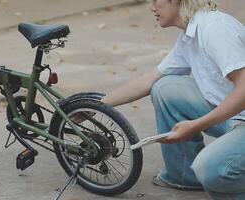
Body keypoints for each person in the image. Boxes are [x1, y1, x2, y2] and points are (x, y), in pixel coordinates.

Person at [101, 0, 245, 199]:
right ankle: (184, 176)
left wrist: (196, 125)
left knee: (211, 168)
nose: (152, 7)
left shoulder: (215, 29)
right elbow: (149, 80)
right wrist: (97, 106)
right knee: (165, 87)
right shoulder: (189, 36)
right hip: (233, 116)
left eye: (156, 0)